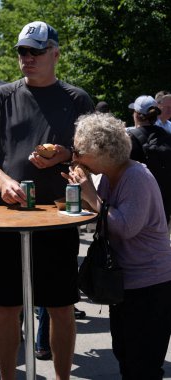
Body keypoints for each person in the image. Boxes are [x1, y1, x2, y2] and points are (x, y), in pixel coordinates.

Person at [0, 20, 94, 380]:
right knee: (7, 306)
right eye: (23, 52)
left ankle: (61, 378)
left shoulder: (77, 99)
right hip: (7, 217)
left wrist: (66, 153)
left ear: (55, 54)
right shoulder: (1, 97)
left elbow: (92, 156)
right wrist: (4, 180)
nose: (27, 58)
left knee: (60, 306)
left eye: (36, 52)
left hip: (59, 217)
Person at [62, 112, 171, 380]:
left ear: (102, 151)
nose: (74, 158)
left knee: (142, 365)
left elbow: (124, 227)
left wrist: (90, 195)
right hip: (126, 283)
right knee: (125, 355)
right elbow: (105, 217)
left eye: (79, 151)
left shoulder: (135, 177)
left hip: (149, 285)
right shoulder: (112, 175)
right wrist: (83, 193)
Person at [127, 95, 171, 225]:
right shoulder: (168, 136)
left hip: (139, 208)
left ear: (136, 114)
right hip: (164, 206)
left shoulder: (130, 139)